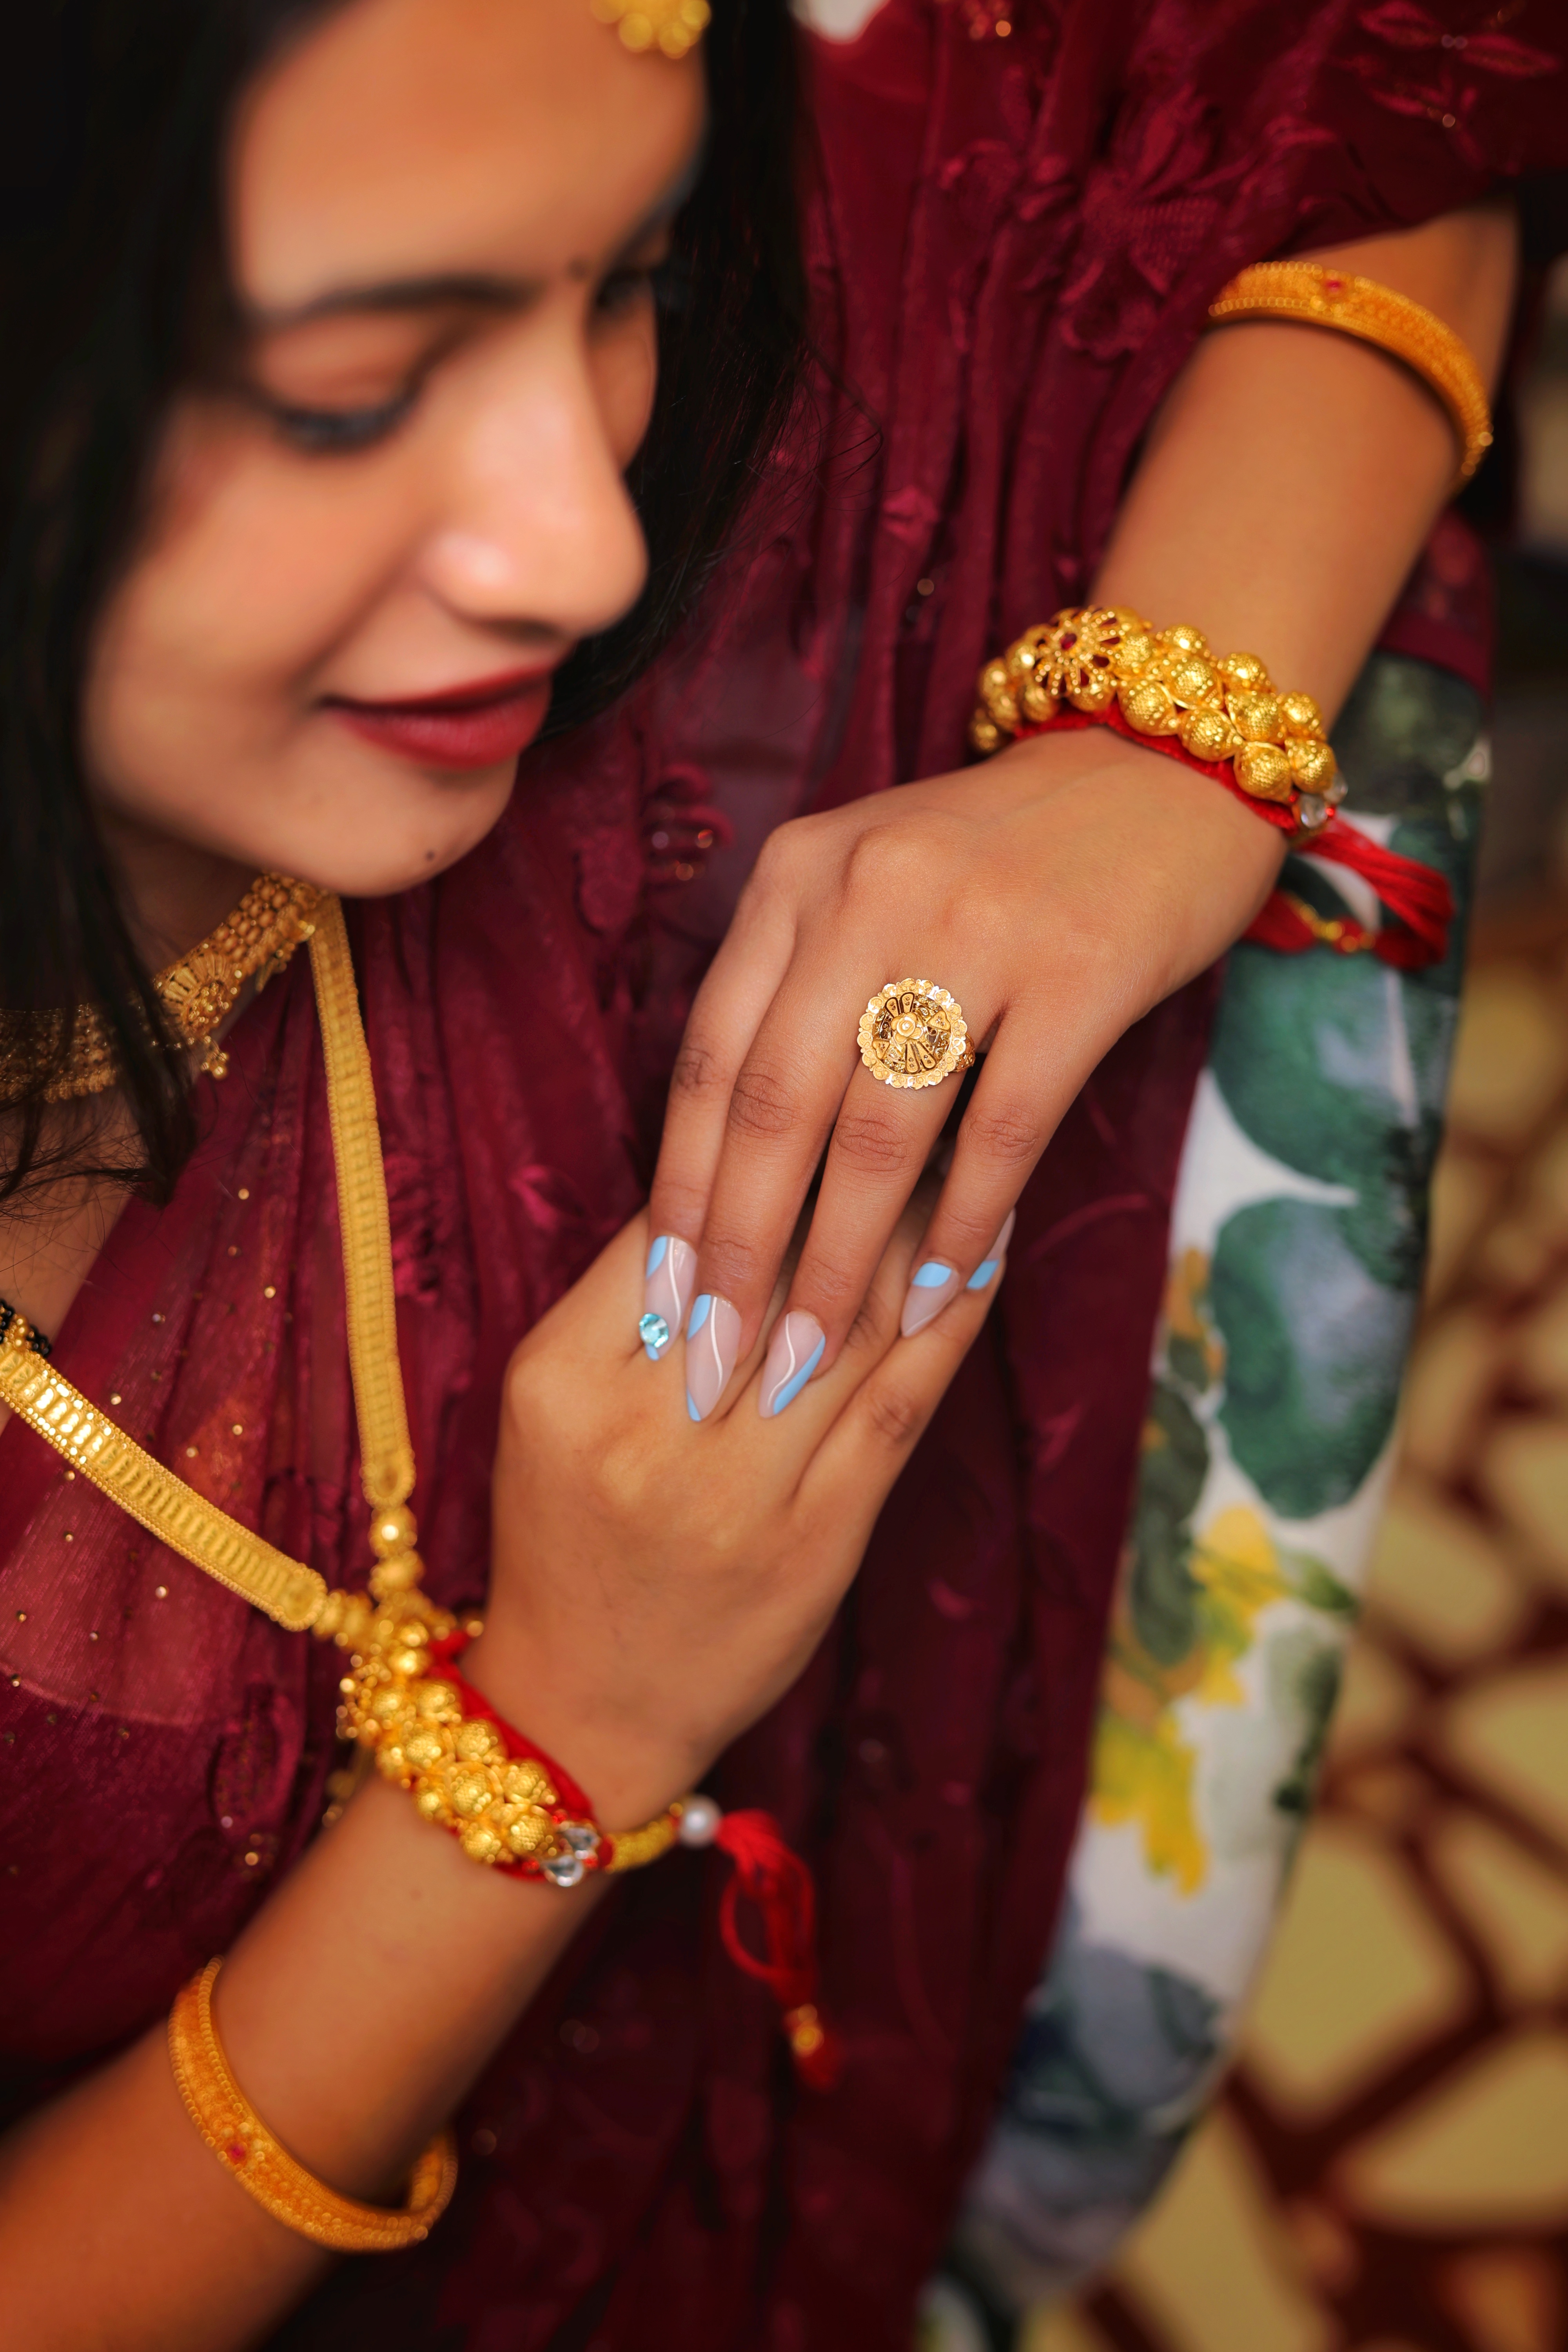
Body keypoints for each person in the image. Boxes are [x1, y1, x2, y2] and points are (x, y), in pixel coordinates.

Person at [0, 5, 1563, 2352]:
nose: (589, 541)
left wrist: (1164, 745)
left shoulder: (690, 441)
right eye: (346, 394)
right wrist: (554, 1747)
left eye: (628, 283)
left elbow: (1372, 99)